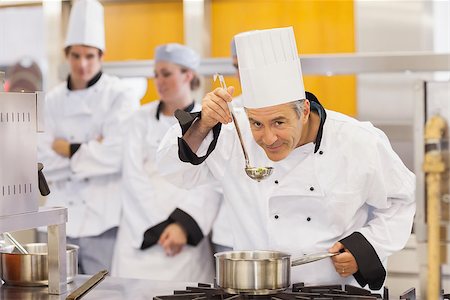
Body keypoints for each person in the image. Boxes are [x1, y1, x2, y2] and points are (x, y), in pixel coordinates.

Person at [156, 27, 416, 291]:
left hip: (336, 290)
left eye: (279, 122)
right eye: (256, 123)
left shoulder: (357, 140)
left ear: (303, 111)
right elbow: (173, 171)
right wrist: (202, 125)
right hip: (257, 290)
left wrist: (364, 248)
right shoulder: (233, 134)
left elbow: (402, 200)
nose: (268, 138)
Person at [37, 0, 139, 274]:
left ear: (101, 56)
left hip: (103, 220)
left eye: (90, 55)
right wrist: (93, 147)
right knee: (53, 289)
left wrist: (66, 148)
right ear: (66, 55)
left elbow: (116, 156)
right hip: (57, 219)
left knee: (103, 291)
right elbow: (40, 160)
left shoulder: (120, 94)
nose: (82, 64)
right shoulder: (51, 100)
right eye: (76, 55)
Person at [111, 43, 220, 282]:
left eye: (167, 74)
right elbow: (133, 177)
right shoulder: (138, 119)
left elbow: (213, 180)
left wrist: (182, 224)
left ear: (188, 75)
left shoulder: (210, 119)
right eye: (156, 75)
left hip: (185, 238)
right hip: (140, 234)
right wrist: (159, 226)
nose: (159, 81)